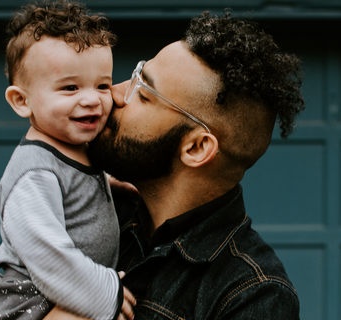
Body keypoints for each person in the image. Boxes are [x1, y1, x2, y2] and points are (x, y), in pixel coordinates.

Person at [45, 10, 305, 320]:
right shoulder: (85, 207)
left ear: (196, 147)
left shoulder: (252, 293)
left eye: (143, 93)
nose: (112, 95)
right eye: (135, 74)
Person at [0, 1, 135, 320]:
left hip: (62, 292)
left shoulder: (74, 146)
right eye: (70, 87)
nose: (92, 98)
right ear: (22, 101)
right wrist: (105, 293)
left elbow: (73, 191)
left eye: (102, 85)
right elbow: (48, 255)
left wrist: (110, 185)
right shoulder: (34, 173)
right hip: (29, 301)